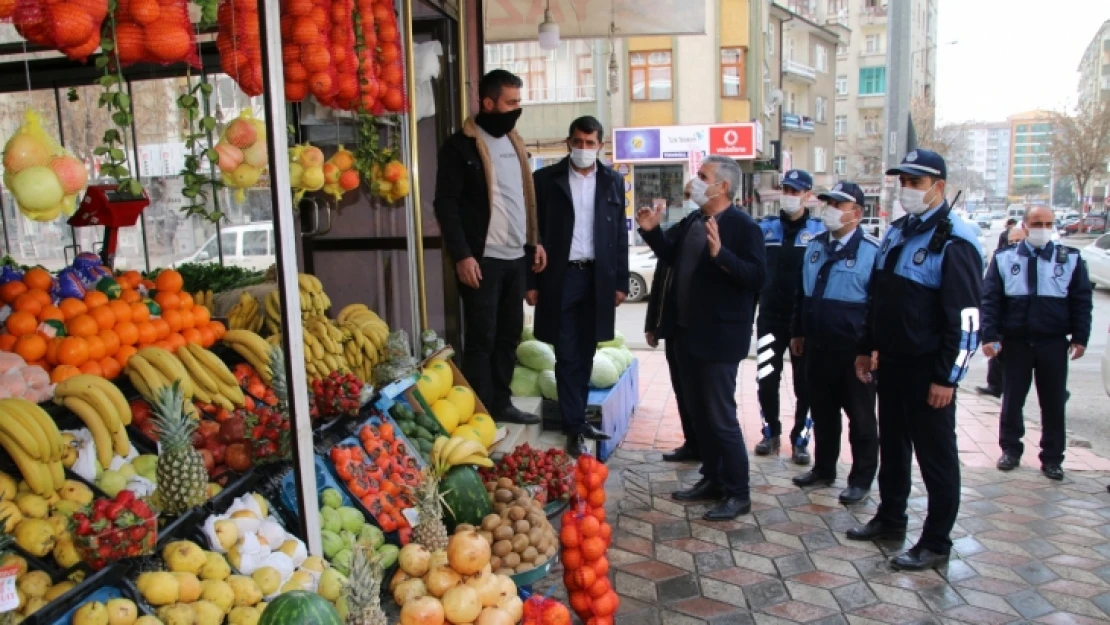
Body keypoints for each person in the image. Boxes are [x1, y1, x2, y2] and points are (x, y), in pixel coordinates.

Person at [848, 149, 983, 571]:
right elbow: (879, 297)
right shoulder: (897, 232)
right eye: (902, 182)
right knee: (894, 448)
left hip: (929, 371)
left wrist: (948, 378)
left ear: (938, 188)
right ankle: (891, 518)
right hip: (892, 364)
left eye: (915, 183)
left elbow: (967, 322)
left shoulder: (955, 240)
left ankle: (937, 541)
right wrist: (867, 347)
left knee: (935, 457)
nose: (906, 190)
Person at [636, 156, 767, 521]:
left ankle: (738, 493)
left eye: (702, 176)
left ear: (722, 186)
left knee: (720, 417)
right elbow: (671, 256)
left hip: (720, 339)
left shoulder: (743, 227)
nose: (694, 182)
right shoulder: (695, 220)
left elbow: (757, 277)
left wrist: (721, 255)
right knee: (700, 414)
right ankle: (713, 478)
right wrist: (651, 231)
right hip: (685, 335)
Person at [433, 69, 546, 425]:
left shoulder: (515, 142)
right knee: (482, 336)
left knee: (509, 334)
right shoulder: (460, 146)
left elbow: (522, 198)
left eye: (518, 102)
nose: (517, 109)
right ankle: (478, 409)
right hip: (483, 259)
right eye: (511, 102)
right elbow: (445, 204)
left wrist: (534, 241)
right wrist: (463, 254)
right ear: (488, 102)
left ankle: (502, 401)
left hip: (515, 257)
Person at [527, 116, 625, 457]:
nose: (584, 149)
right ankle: (572, 425)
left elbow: (619, 237)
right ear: (569, 142)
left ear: (600, 145)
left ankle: (579, 419)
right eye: (578, 142)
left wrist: (621, 282)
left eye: (590, 143)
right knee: (567, 353)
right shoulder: (546, 180)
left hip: (597, 278)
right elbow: (532, 234)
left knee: (586, 352)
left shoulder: (613, 181)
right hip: (560, 276)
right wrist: (531, 280)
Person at [980, 205, 1092, 481]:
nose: (1043, 228)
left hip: (1052, 343)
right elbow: (991, 300)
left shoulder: (1069, 259)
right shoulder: (1005, 259)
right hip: (1016, 342)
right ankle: (1010, 450)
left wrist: (1080, 337)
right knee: (1012, 400)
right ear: (1026, 225)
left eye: (1048, 223)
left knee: (1053, 403)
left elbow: (1081, 301)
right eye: (1037, 223)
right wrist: (989, 336)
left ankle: (1052, 458)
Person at [789, 182, 879, 505]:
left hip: (853, 353)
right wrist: (797, 332)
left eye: (838, 205)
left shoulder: (872, 251)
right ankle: (824, 468)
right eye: (828, 202)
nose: (829, 209)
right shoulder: (814, 246)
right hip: (817, 347)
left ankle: (861, 479)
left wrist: (870, 350)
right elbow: (802, 294)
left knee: (862, 419)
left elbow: (878, 305)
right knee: (823, 413)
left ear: (856, 213)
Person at [753, 170, 825, 464]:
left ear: (808, 196)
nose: (789, 196)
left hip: (803, 324)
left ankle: (800, 439)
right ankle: (770, 432)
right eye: (785, 189)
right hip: (770, 318)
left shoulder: (819, 231)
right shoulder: (765, 228)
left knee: (804, 384)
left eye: (796, 191)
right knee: (767, 379)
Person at [647, 183, 699, 463]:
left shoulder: (727, 227)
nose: (689, 200)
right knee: (681, 389)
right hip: (674, 326)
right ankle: (692, 443)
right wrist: (653, 322)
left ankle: (708, 453)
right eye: (687, 195)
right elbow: (661, 275)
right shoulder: (685, 226)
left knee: (703, 397)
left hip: (701, 331)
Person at [978, 225, 1028, 398]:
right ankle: (995, 385)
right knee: (996, 355)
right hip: (1001, 326)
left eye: (1018, 241)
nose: (1014, 244)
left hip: (1020, 328)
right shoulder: (1001, 261)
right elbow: (989, 295)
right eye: (1011, 241)